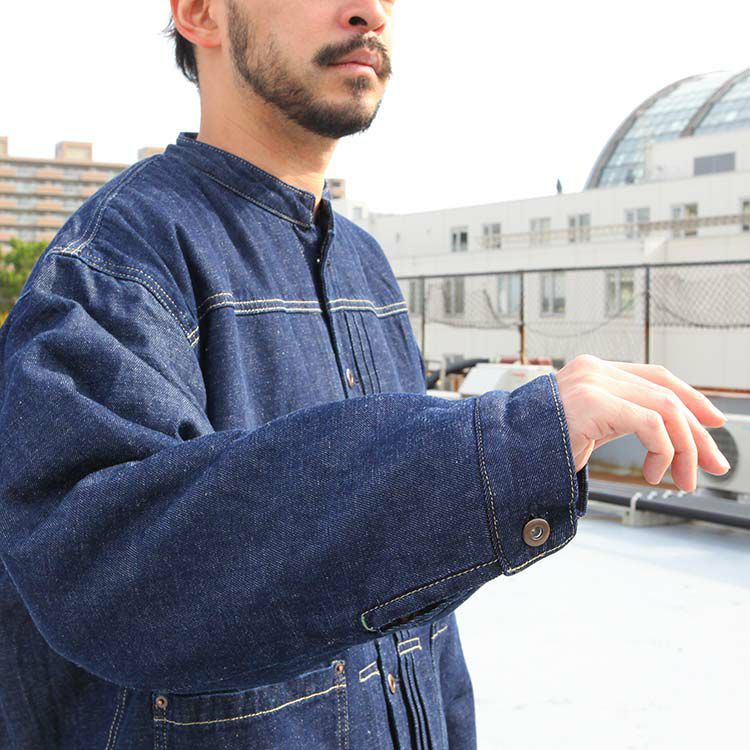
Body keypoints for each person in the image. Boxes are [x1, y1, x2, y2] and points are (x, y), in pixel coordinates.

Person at [0, 1, 731, 748]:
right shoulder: (116, 263)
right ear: (200, 13)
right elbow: (109, 581)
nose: (371, 11)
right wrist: (502, 445)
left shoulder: (365, 264)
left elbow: (420, 628)